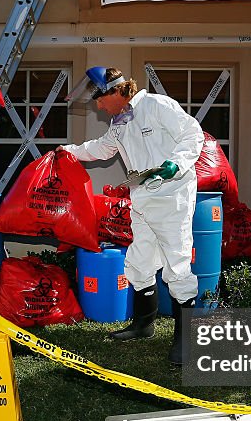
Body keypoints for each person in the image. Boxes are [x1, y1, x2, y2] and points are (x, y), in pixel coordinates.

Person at [59, 67, 204, 364]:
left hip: (172, 196)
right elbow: (100, 148)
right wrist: (68, 151)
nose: (98, 105)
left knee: (176, 267)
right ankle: (143, 324)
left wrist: (176, 163)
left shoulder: (156, 105)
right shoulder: (119, 123)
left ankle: (187, 342)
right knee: (139, 262)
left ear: (115, 91)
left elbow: (193, 134)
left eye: (100, 99)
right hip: (143, 198)